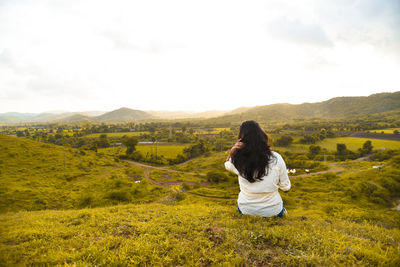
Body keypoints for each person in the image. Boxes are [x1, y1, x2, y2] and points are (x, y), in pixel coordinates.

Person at [224, 120, 291, 217]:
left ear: (241, 140)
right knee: (283, 212)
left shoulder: (238, 160)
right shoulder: (276, 158)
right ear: (262, 137)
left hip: (246, 210)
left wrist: (232, 152)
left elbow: (227, 164)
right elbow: (285, 188)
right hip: (273, 211)